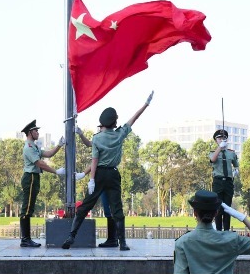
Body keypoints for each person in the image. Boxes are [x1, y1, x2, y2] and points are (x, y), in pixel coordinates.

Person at [62, 91, 153, 251]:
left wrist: (91, 179)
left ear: (102, 123)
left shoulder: (97, 138)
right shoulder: (119, 134)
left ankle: (71, 236)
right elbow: (133, 119)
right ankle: (122, 242)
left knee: (85, 206)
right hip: (113, 174)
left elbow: (95, 160)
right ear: (115, 123)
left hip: (99, 174)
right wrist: (145, 104)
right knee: (116, 208)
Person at [173, 190, 250, 274]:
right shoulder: (231, 239)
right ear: (216, 213)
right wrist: (242, 218)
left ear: (195, 213)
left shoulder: (182, 242)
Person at [20, 119, 65, 247]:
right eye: (35, 131)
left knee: (29, 208)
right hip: (30, 178)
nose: (38, 133)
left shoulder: (34, 146)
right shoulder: (28, 148)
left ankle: (26, 239)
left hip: (34, 177)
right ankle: (25, 239)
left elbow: (48, 154)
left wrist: (59, 145)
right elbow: (40, 163)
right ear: (30, 133)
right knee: (27, 208)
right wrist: (56, 171)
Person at [75, 126, 117, 247]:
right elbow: (89, 144)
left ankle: (113, 239)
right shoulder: (99, 140)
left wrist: (86, 175)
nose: (99, 129)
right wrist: (81, 134)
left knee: (109, 209)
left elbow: (95, 161)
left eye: (101, 127)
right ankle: (112, 239)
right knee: (107, 207)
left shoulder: (109, 140)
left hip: (104, 177)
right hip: (101, 178)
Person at [209, 129, 239, 231]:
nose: (222, 139)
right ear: (216, 140)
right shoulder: (213, 152)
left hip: (228, 182)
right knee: (218, 207)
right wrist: (219, 147)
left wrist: (236, 170)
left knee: (228, 208)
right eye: (219, 138)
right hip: (218, 182)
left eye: (224, 138)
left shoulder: (231, 153)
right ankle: (218, 230)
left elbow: (236, 165)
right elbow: (213, 159)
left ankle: (226, 231)